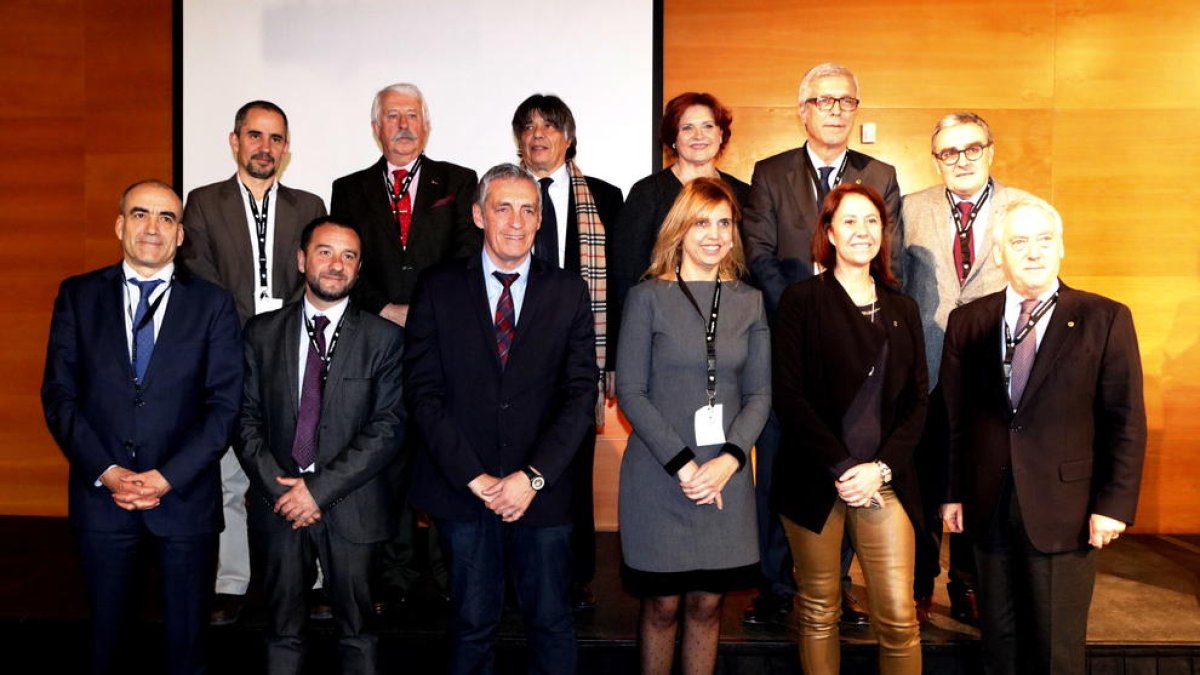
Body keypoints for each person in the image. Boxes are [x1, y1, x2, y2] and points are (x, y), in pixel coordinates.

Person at [42, 180, 243, 675]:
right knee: (107, 643)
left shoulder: (214, 305)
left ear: (180, 236)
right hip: (102, 500)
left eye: (166, 218)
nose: (152, 227)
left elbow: (224, 406)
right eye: (140, 215)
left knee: (187, 647)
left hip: (184, 500)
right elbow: (60, 396)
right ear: (119, 225)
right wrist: (107, 470)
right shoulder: (78, 295)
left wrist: (166, 476)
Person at [940, 194, 1146, 675]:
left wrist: (1113, 505)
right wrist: (951, 492)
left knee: (1056, 650)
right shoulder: (969, 320)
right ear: (999, 254)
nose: (1033, 251)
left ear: (1061, 248)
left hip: (1066, 509)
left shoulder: (1105, 317)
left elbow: (1125, 419)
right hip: (988, 505)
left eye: (1044, 240)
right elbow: (953, 417)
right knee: (998, 644)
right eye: (1019, 241)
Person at [405, 163, 597, 675]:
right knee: (471, 625)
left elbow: (580, 396)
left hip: (544, 490)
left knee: (552, 623)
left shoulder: (569, 291)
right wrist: (478, 478)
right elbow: (423, 393)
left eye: (528, 209)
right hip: (464, 491)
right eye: (503, 207)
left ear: (540, 221)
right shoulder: (438, 287)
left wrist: (532, 477)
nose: (516, 221)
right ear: (478, 214)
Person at [741, 62, 902, 625]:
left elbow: (888, 259)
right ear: (803, 110)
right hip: (786, 340)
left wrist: (843, 322)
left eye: (847, 102)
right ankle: (775, 589)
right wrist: (806, 315)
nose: (837, 110)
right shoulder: (770, 173)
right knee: (783, 464)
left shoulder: (880, 174)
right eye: (826, 101)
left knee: (849, 459)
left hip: (858, 353)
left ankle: (834, 585)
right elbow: (757, 254)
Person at [330, 82, 478, 613]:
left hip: (441, 344)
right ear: (376, 128)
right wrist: (385, 308)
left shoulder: (458, 182)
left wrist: (427, 311)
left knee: (442, 454)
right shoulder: (348, 188)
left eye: (412, 115)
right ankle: (393, 574)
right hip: (376, 341)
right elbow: (344, 263)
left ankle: (442, 572)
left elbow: (467, 256)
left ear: (427, 124)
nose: (403, 125)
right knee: (386, 458)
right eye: (392, 116)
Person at [235, 216, 405, 675]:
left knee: (359, 637)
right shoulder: (260, 333)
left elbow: (388, 427)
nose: (336, 265)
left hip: (354, 507)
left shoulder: (385, 339)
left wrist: (318, 490)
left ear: (359, 268)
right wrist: (282, 490)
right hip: (279, 507)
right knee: (282, 634)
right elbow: (245, 419)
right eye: (326, 252)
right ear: (301, 260)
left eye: (349, 256)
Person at [180, 99, 327, 625]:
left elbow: (314, 278)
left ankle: (311, 580)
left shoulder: (309, 205)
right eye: (255, 136)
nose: (265, 147)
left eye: (276, 138)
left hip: (293, 357)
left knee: (301, 467)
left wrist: (279, 335)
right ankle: (233, 583)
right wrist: (246, 337)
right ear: (235, 140)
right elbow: (199, 277)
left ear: (286, 148)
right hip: (227, 357)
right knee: (230, 476)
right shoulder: (202, 203)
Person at [616, 177, 770, 675]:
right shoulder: (646, 298)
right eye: (702, 222)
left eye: (724, 223)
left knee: (708, 605)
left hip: (726, 476)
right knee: (662, 606)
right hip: (660, 476)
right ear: (680, 228)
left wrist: (727, 461)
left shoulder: (750, 301)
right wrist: (685, 467)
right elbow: (632, 394)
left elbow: (760, 395)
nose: (714, 234)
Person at [772, 183, 927, 675]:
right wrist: (843, 468)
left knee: (900, 619)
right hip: (815, 478)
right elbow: (789, 398)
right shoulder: (801, 301)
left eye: (872, 222)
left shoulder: (904, 308)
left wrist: (877, 470)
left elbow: (918, 403)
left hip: (885, 482)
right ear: (830, 233)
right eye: (850, 221)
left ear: (884, 234)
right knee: (818, 612)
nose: (862, 231)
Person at [900, 112, 1038, 625]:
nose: (960, 160)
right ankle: (916, 587)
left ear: (990, 151)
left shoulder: (1025, 208)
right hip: (927, 371)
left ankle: (967, 583)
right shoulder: (909, 209)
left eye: (971, 148)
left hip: (994, 374)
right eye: (948, 152)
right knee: (924, 484)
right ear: (935, 159)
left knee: (978, 483)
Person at [512, 93, 623, 609]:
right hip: (513, 356)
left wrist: (615, 361)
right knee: (517, 461)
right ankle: (516, 578)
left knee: (572, 469)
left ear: (568, 137)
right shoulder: (502, 193)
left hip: (581, 354)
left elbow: (618, 283)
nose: (538, 134)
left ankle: (573, 579)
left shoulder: (604, 196)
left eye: (549, 126)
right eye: (528, 126)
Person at [610, 92, 750, 349]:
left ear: (721, 135)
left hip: (728, 331)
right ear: (673, 138)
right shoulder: (646, 193)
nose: (699, 135)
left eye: (708, 126)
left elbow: (750, 269)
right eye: (687, 128)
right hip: (659, 331)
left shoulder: (744, 194)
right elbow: (624, 276)